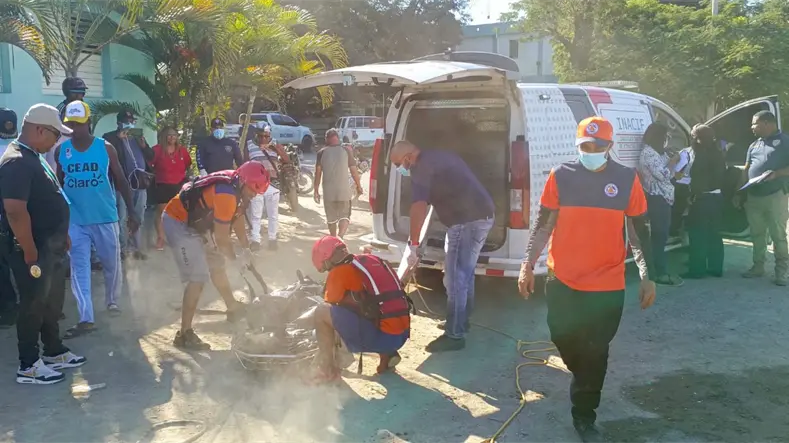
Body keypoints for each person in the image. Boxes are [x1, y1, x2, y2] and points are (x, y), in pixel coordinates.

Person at [517, 116, 656, 443]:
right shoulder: (561, 176)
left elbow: (639, 231)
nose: (590, 151)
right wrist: (527, 264)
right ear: (577, 145)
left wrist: (647, 275)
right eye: (585, 146)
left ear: (609, 146)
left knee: (596, 351)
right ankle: (583, 375)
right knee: (563, 338)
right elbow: (543, 225)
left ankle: (584, 415)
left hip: (607, 285)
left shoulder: (626, 179)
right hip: (562, 279)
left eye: (597, 146)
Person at [0, 103, 86, 384]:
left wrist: (62, 234)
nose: (57, 141)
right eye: (55, 134)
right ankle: (28, 365)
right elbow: (15, 211)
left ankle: (53, 350)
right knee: (33, 303)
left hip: (51, 245)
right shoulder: (16, 162)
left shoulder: (32, 156)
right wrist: (29, 250)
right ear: (39, 130)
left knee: (51, 301)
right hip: (32, 248)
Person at [389, 140, 494, 353]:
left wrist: (413, 245)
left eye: (398, 164)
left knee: (455, 279)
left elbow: (419, 207)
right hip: (481, 217)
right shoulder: (437, 156)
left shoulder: (421, 167)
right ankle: (461, 322)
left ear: (408, 158)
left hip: (466, 222)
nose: (400, 169)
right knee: (465, 274)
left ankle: (455, 335)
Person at [161, 161, 269, 350]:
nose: (254, 195)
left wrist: (246, 249)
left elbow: (238, 217)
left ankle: (232, 307)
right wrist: (235, 261)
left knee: (217, 264)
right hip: (178, 222)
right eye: (253, 190)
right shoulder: (226, 194)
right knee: (198, 277)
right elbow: (221, 238)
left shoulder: (238, 185)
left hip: (197, 224)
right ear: (244, 182)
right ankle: (184, 334)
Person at [56, 101, 140, 337]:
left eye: (78, 123)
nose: (74, 129)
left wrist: (131, 211)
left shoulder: (106, 148)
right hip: (75, 220)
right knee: (79, 268)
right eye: (70, 124)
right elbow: (58, 185)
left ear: (89, 123)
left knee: (111, 263)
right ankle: (86, 317)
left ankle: (112, 301)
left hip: (105, 217)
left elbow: (121, 180)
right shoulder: (62, 151)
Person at [310, 236, 410, 383]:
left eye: (325, 267)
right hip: (402, 335)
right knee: (377, 308)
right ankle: (388, 356)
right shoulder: (372, 260)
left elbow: (330, 303)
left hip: (382, 338)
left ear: (326, 260)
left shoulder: (340, 270)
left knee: (322, 313)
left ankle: (327, 370)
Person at [737, 110, 789, 285]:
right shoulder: (754, 145)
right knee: (757, 233)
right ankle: (758, 266)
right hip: (754, 196)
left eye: (755, 123)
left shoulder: (785, 142)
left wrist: (777, 174)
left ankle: (782, 271)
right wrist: (740, 191)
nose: (752, 127)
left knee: (778, 235)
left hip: (775, 196)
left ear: (767, 123)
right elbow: (746, 168)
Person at [103, 109, 154, 260]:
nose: (130, 124)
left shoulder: (136, 138)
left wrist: (144, 146)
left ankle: (136, 248)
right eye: (127, 121)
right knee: (123, 217)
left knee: (139, 216)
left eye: (132, 121)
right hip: (122, 185)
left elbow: (151, 156)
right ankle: (123, 249)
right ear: (119, 123)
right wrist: (118, 139)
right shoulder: (109, 137)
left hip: (140, 183)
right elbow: (108, 157)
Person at [637, 122, 683, 287]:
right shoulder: (648, 153)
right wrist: (673, 162)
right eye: (665, 136)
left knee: (661, 236)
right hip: (657, 199)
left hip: (663, 198)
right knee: (659, 236)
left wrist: (669, 156)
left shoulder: (656, 152)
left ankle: (658, 271)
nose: (667, 139)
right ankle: (659, 273)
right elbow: (662, 174)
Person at [684, 124, 725, 279]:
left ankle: (697, 269)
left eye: (693, 137)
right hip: (717, 198)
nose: (692, 140)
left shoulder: (699, 155)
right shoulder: (718, 153)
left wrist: (691, 193)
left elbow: (697, 178)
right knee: (715, 234)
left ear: (698, 139)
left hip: (702, 199)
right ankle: (716, 268)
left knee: (697, 234)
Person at [314, 128, 363, 238]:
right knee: (344, 216)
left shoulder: (321, 153)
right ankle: (340, 237)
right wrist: (359, 186)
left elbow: (318, 173)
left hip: (329, 193)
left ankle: (333, 238)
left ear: (326, 139)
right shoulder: (346, 151)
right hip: (344, 192)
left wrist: (316, 190)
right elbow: (354, 171)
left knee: (331, 219)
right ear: (337, 138)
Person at [244, 125, 285, 251]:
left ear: (270, 135)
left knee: (273, 214)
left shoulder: (275, 144)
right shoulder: (249, 145)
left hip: (273, 184)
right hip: (256, 186)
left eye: (266, 136)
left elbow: (286, 160)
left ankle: (272, 239)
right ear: (256, 135)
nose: (263, 139)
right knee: (256, 215)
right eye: (260, 136)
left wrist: (275, 148)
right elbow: (245, 164)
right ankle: (255, 240)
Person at [150, 127, 192, 251]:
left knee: (180, 213)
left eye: (174, 135)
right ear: (164, 136)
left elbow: (188, 165)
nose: (172, 137)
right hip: (162, 185)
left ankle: (178, 238)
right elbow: (150, 165)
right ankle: (161, 238)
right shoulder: (157, 150)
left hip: (179, 185)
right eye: (169, 135)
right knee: (162, 213)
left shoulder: (182, 150)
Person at [0, 108, 19, 327]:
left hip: (5, 214)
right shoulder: (23, 149)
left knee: (3, 264)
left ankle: (8, 307)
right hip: (25, 213)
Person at [669, 146, 693, 237]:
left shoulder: (686, 152)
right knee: (678, 210)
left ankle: (674, 230)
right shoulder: (686, 153)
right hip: (682, 184)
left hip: (683, 184)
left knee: (678, 210)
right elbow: (677, 170)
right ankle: (673, 230)